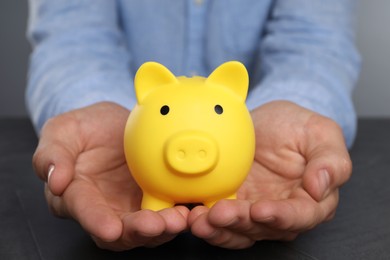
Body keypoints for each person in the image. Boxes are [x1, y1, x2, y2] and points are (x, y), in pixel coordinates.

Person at [26, 0, 360, 251]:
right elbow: (73, 37)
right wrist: (89, 104)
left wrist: (300, 104)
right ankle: (156, 197)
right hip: (144, 168)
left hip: (236, 174)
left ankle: (210, 196)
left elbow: (315, 41)